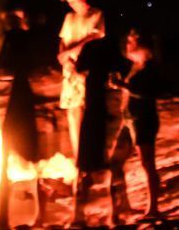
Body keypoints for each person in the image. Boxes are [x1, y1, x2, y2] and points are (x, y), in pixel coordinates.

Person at [0, 7, 49, 229]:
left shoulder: (13, 38)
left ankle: (3, 218)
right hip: (31, 101)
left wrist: (15, 72)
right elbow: (40, 70)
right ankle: (39, 216)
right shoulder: (33, 40)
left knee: (7, 157)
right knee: (34, 158)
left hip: (18, 101)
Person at [69, 31, 128, 225]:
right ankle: (114, 215)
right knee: (111, 163)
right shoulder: (113, 49)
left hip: (94, 113)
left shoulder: (91, 47)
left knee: (86, 164)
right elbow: (124, 67)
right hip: (109, 110)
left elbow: (79, 68)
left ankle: (79, 216)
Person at [109, 29, 162, 219]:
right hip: (128, 119)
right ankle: (123, 204)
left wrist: (123, 86)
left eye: (132, 42)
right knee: (115, 161)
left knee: (147, 163)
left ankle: (153, 208)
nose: (128, 45)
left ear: (143, 46)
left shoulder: (150, 67)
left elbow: (148, 93)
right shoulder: (136, 66)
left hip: (143, 119)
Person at [57, 0, 105, 159]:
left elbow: (93, 37)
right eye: (69, 2)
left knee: (87, 110)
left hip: (85, 68)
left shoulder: (96, 14)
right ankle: (78, 155)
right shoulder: (69, 18)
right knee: (72, 111)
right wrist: (63, 55)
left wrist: (71, 52)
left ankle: (90, 157)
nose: (72, 5)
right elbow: (62, 40)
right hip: (69, 69)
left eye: (74, 0)